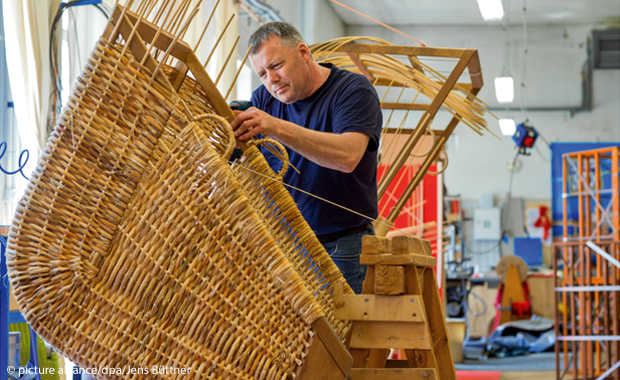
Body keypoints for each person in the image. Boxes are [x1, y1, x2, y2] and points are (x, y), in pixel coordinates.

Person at [230, 22, 382, 294]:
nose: (271, 80)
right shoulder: (264, 98)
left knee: (338, 335)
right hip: (281, 244)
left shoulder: (352, 91)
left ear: (303, 52)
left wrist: (275, 126)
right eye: (262, 74)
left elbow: (347, 156)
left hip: (340, 244)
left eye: (276, 66)